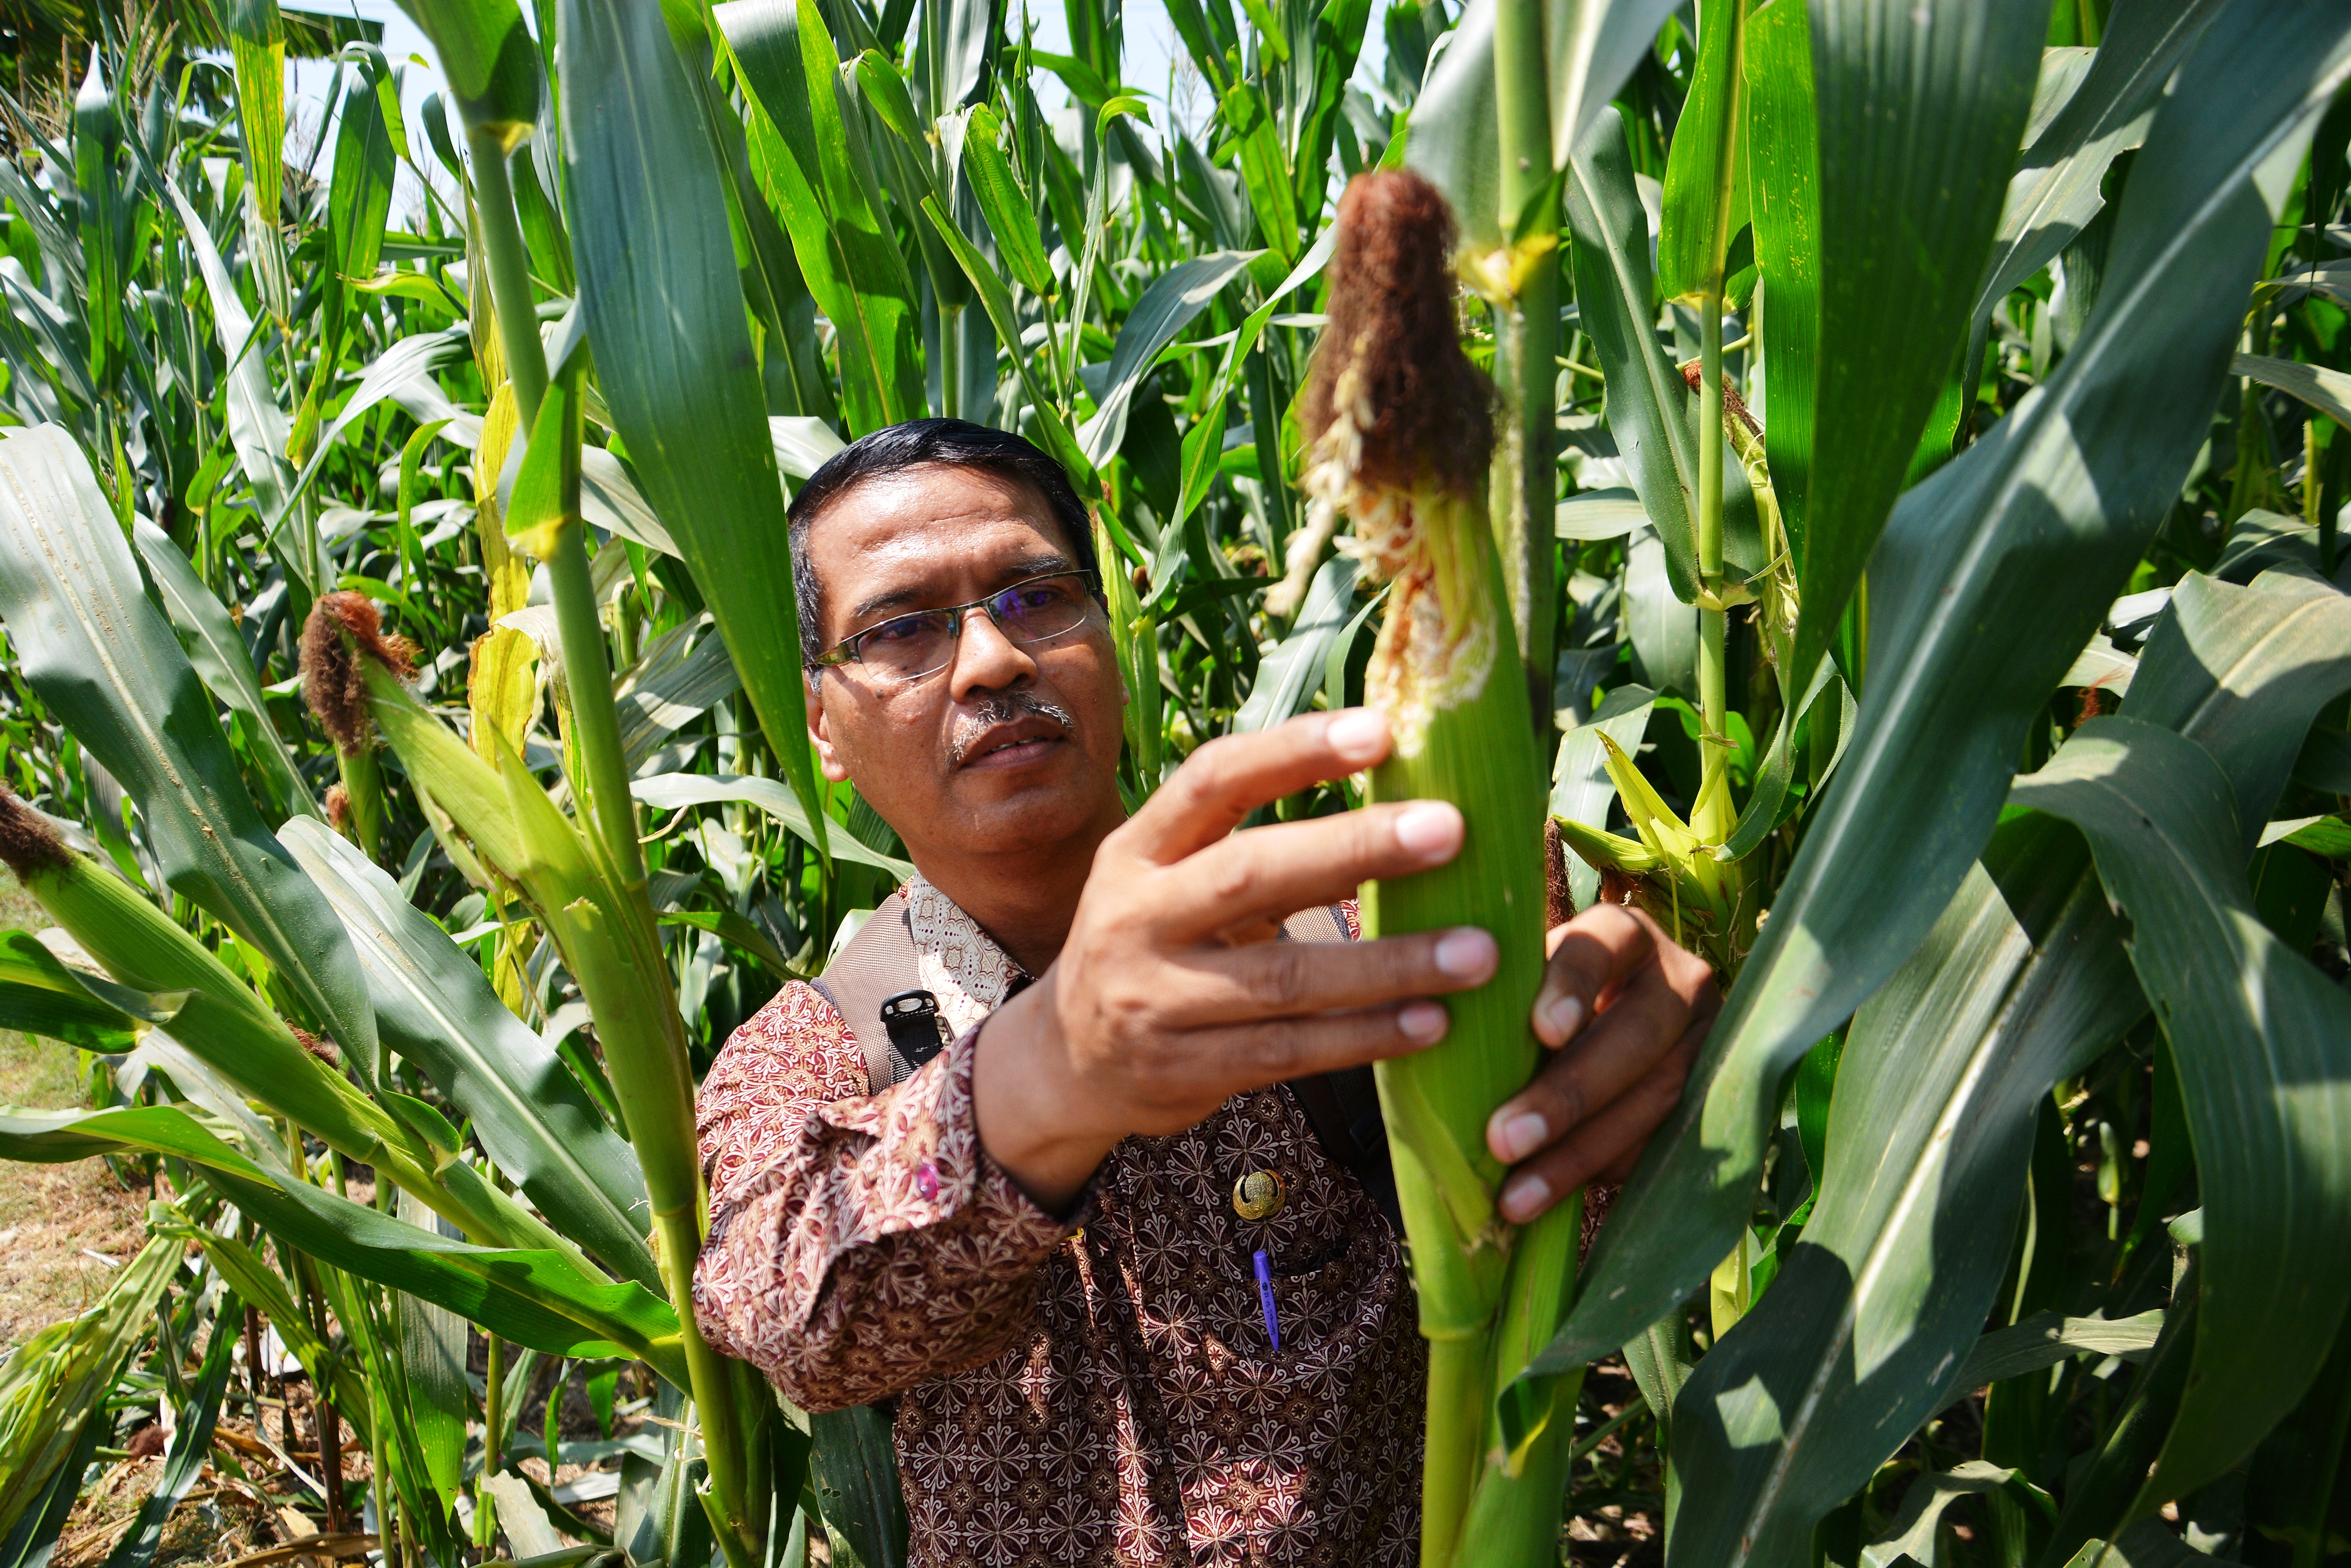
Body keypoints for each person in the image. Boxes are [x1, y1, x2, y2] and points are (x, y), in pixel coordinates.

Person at [691, 419, 1717, 1567]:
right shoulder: (813, 1050)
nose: (990, 659)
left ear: (1107, 636)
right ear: (822, 720)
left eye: (1035, 595)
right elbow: (784, 1312)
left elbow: (1564, 1217)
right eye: (900, 629)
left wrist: (1659, 1081)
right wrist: (1050, 1072)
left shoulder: (1351, 937)